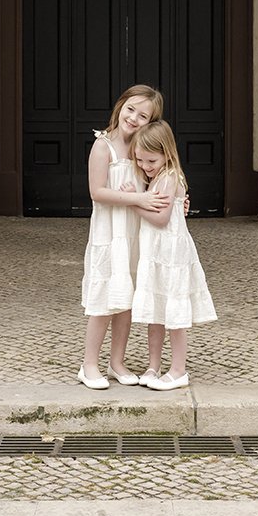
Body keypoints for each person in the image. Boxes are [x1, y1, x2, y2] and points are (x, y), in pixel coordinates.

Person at [78, 84, 171, 390]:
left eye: (143, 115)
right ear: (120, 107)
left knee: (127, 299)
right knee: (105, 297)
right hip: (110, 232)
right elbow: (97, 192)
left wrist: (178, 199)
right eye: (130, 109)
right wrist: (137, 200)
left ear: (151, 122)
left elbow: (162, 180)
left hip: (135, 233)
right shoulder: (103, 146)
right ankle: (89, 364)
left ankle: (116, 361)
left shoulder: (142, 151)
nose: (133, 118)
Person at [128, 120, 216, 391]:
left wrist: (134, 201)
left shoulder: (169, 177)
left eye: (150, 160)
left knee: (175, 316)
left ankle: (178, 370)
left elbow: (162, 218)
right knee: (156, 312)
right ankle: (153, 365)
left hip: (172, 256)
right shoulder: (157, 176)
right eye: (140, 160)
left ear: (166, 152)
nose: (145, 165)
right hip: (156, 255)